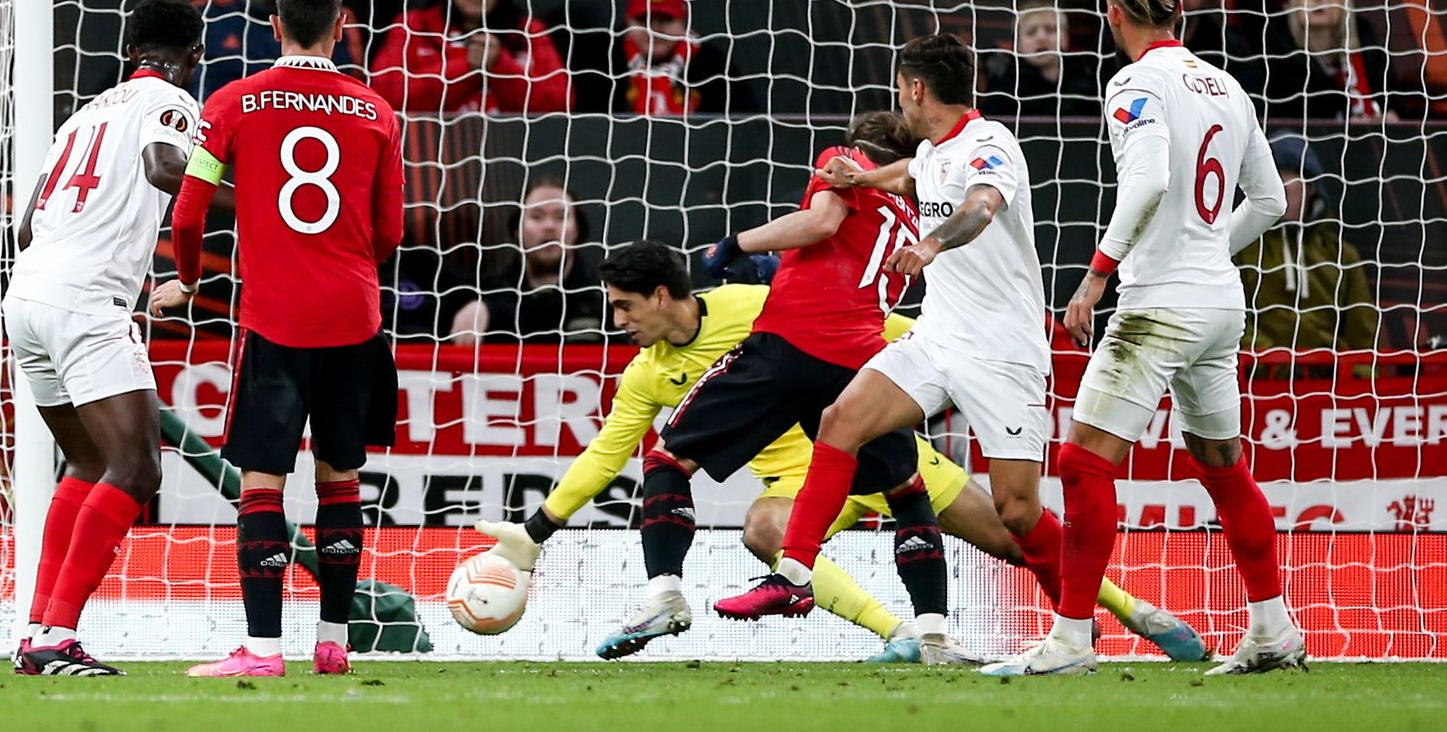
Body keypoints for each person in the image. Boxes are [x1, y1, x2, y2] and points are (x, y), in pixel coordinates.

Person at [474, 235, 1208, 664]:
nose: (619, 322)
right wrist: (539, 528)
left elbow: (871, 336)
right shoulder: (645, 375)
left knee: (1016, 533)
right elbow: (608, 455)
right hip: (803, 488)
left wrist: (941, 360)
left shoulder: (755, 308)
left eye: (626, 307)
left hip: (870, 443)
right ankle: (906, 637)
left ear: (664, 295)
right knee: (765, 527)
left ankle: (1132, 609)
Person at [986, 0, 1298, 676]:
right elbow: (1275, 200)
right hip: (1220, 300)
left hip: (1159, 304)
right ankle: (1273, 627)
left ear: (1114, 15)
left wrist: (1097, 276)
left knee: (1081, 460)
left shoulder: (1134, 82)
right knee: (1222, 466)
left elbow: (1150, 177)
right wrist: (1207, 247)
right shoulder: (1227, 85)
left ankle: (1068, 638)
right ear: (1178, 11)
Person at [716, 35, 1067, 638]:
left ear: (915, 88)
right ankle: (795, 574)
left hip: (1003, 350)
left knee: (1017, 509)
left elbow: (981, 205)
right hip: (937, 339)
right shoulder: (934, 152)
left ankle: (1075, 620)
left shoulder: (991, 144)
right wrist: (865, 175)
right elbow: (913, 174)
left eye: (900, 87)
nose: (899, 98)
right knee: (841, 421)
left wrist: (931, 244)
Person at [587, 110, 957, 661]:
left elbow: (822, 222)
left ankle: (664, 594)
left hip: (789, 347)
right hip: (861, 361)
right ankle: (933, 635)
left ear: (861, 151)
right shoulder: (913, 212)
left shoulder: (844, 162)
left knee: (668, 460)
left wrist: (733, 245)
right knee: (907, 494)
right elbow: (841, 250)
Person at [154, 0, 405, 678]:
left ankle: (263, 649)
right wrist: (348, 262)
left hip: (276, 317)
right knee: (341, 480)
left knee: (262, 483)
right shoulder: (378, 112)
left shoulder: (232, 102)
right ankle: (334, 641)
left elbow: (190, 209)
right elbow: (391, 229)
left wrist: (192, 278)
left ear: (273, 26)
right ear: (342, 25)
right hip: (354, 316)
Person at [2, 0, 208, 676]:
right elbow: (164, 167)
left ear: (129, 51)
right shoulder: (171, 102)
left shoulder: (81, 116)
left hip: (27, 297)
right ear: (193, 57)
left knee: (89, 462)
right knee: (138, 465)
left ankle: (38, 631)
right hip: (86, 302)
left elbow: (26, 225)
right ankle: (59, 634)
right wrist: (258, 199)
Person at [369, 0, 571, 114]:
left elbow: (561, 103)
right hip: (433, 151)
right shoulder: (413, 25)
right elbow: (385, 97)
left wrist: (500, 64)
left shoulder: (528, 31)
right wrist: (466, 66)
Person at [1237, 133, 1379, 367]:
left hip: (1332, 385)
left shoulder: (1341, 255)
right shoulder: (1241, 248)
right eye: (1272, 179)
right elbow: (1232, 320)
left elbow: (1363, 334)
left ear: (1311, 187)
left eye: (1288, 179)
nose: (1279, 189)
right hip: (1259, 385)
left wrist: (1360, 382)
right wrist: (1272, 362)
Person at [449, 178, 605, 343]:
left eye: (561, 217)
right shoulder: (489, 294)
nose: (549, 226)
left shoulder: (604, 295)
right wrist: (484, 308)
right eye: (537, 217)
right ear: (517, 230)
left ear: (578, 230)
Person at [1263, 0, 1393, 122]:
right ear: (1293, 7)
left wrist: (1388, 118)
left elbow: (1393, 107)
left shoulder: (1369, 51)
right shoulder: (1276, 59)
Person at [612, 0, 750, 115]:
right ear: (628, 21)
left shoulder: (711, 66)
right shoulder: (605, 62)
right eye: (644, 20)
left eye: (666, 20)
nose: (655, 30)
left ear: (684, 21)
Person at [980, 4, 1100, 120]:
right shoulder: (1006, 87)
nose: (1041, 38)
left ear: (1065, 38)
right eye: (1031, 32)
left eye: (1050, 30)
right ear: (1017, 44)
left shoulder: (1087, 79)